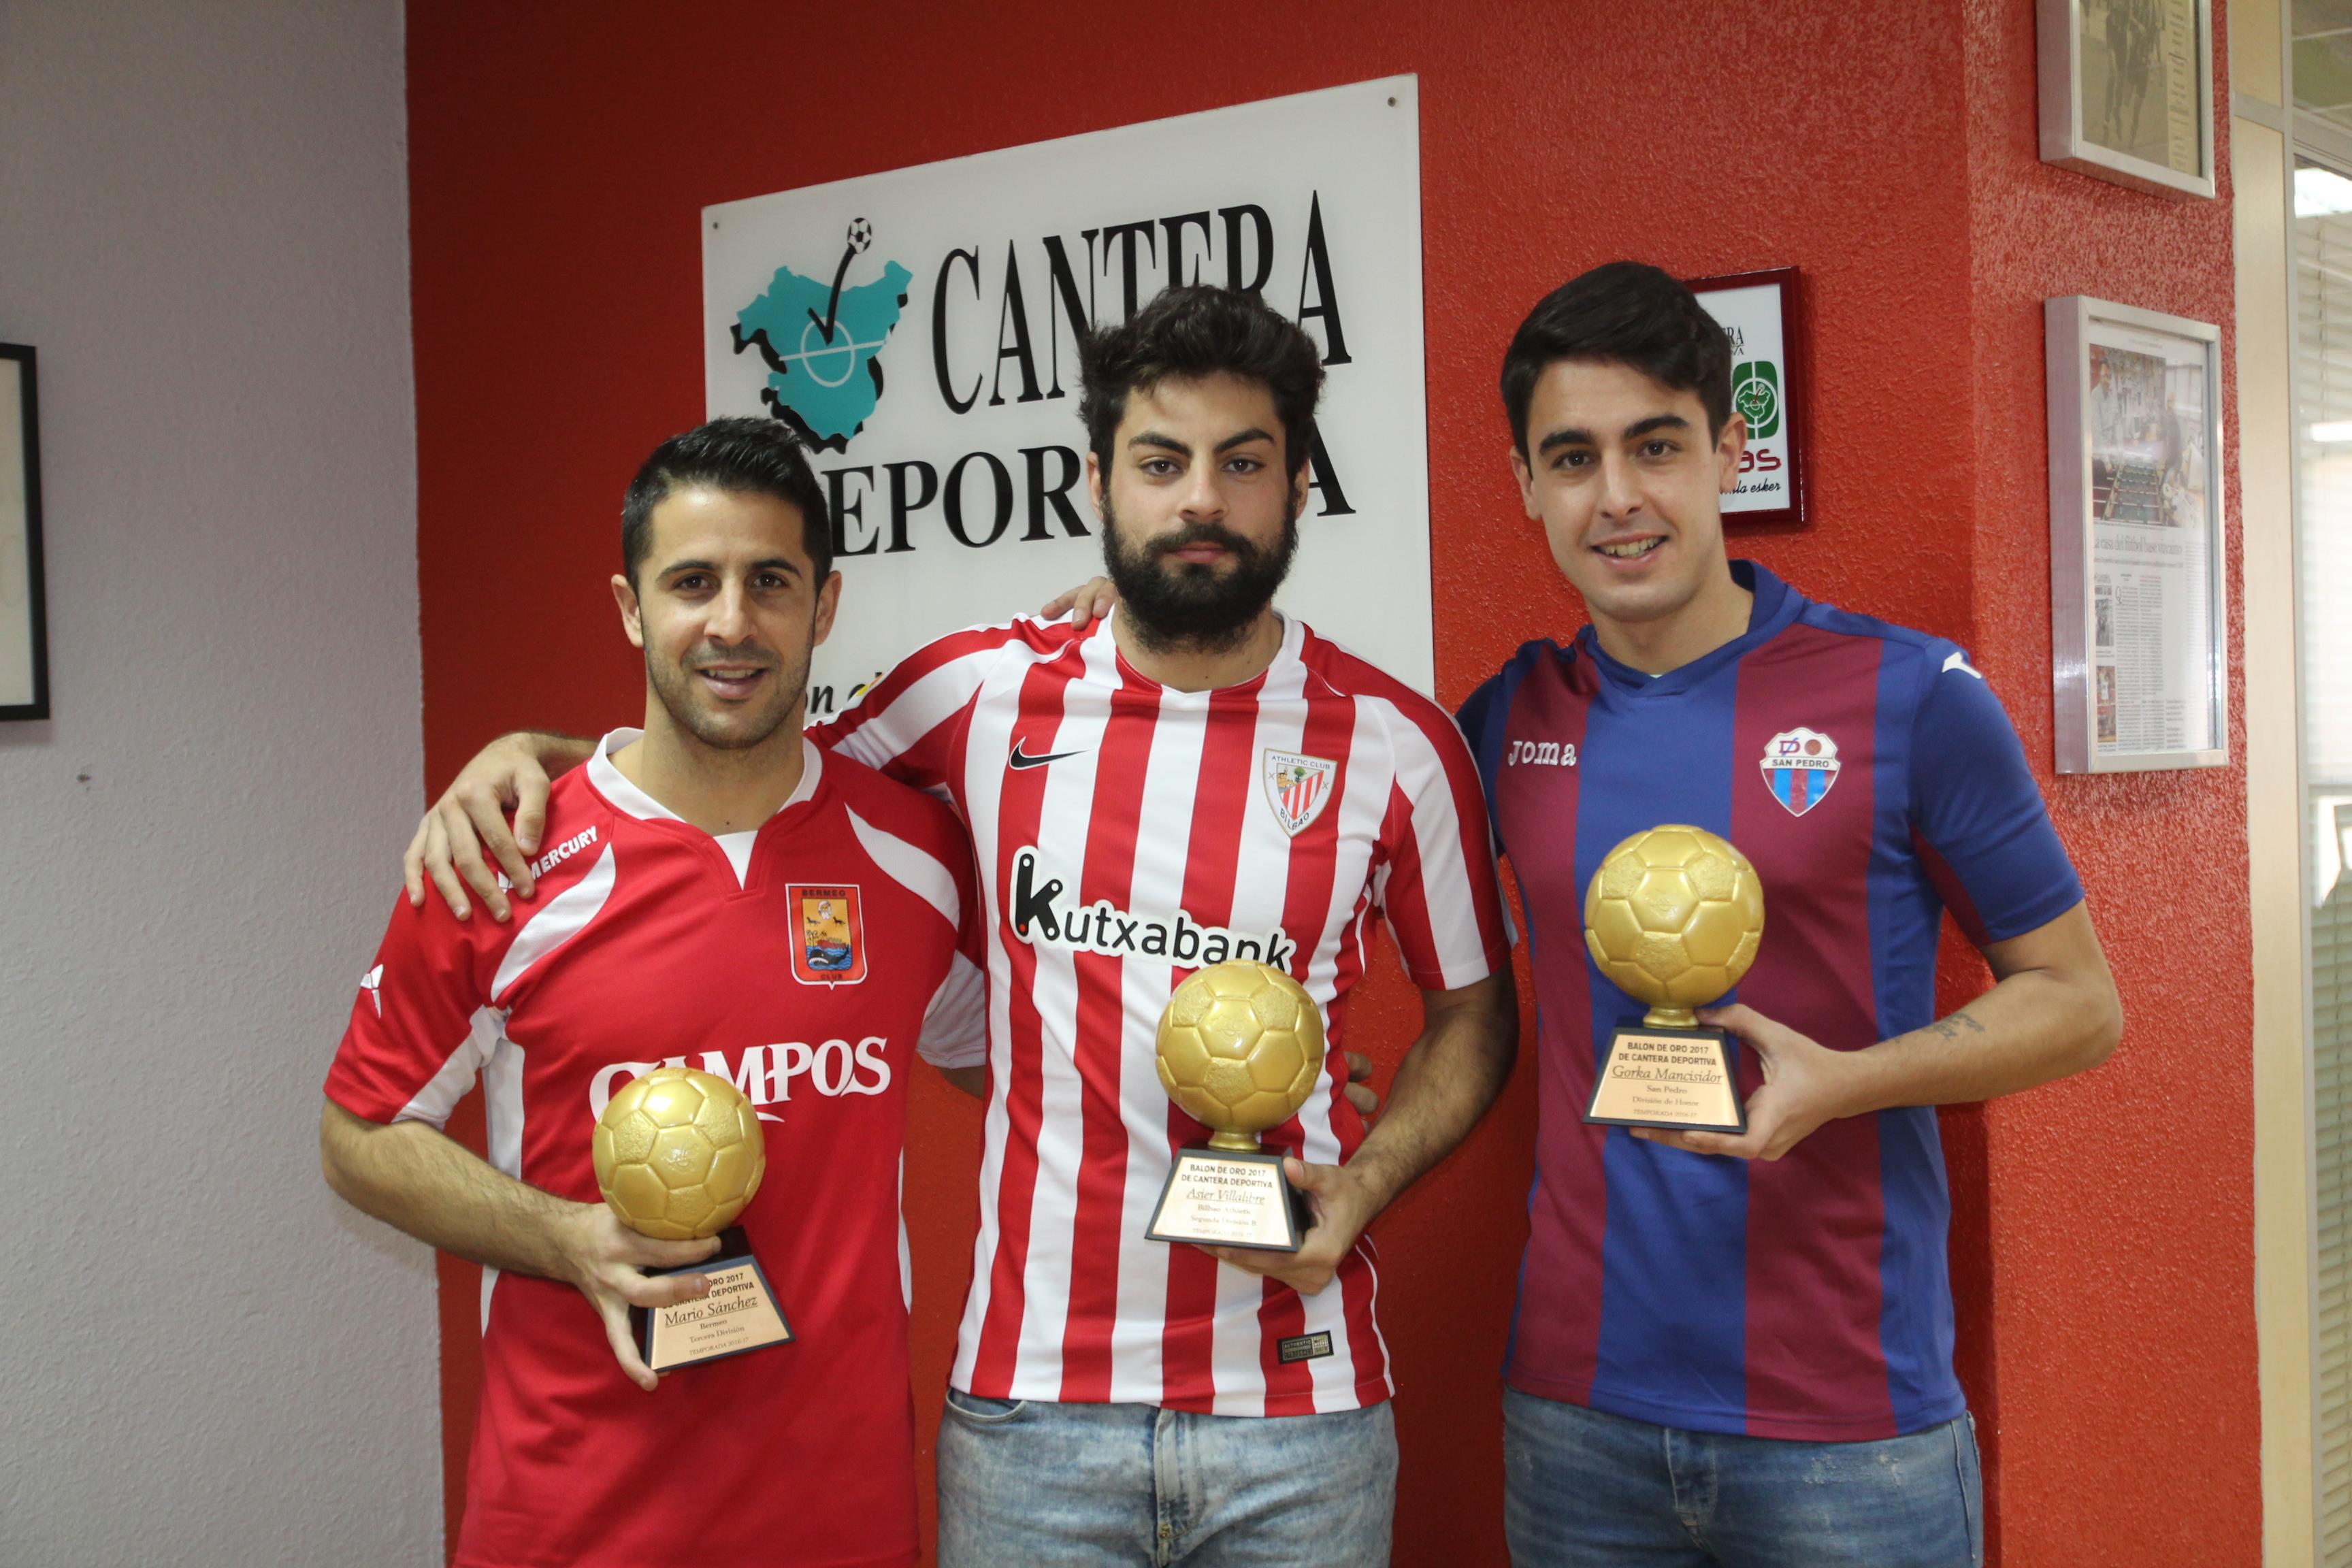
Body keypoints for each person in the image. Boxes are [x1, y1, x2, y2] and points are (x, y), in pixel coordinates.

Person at [409, 285, 1520, 1567]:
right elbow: (743, 771)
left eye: (1244, 463)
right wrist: (543, 760)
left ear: (1298, 486)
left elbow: (1475, 1014)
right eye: (1161, 463)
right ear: (1098, 479)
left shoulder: (1401, 746)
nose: (1201, 500)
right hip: (1031, 1418)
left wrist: (1368, 1175)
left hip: (1303, 1415)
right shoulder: (978, 691)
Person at [1455, 262, 2123, 1567]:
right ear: (1527, 485)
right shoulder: (1505, 720)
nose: (1619, 497)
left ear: (1730, 451)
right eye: (1573, 458)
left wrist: (1848, 1081)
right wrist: (1136, 627)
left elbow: (2080, 1004)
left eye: (1657, 446)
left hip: (1848, 1435)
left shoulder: (1910, 697)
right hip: (1577, 1419)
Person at [320, 418, 987, 1568]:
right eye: (692, 583)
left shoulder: (915, 854)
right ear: (632, 608)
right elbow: (359, 1134)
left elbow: (1035, 1065)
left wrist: (1303, 1099)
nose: (731, 622)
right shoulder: (506, 856)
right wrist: (564, 1237)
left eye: (770, 582)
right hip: (574, 1518)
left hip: (841, 1516)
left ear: (824, 607)